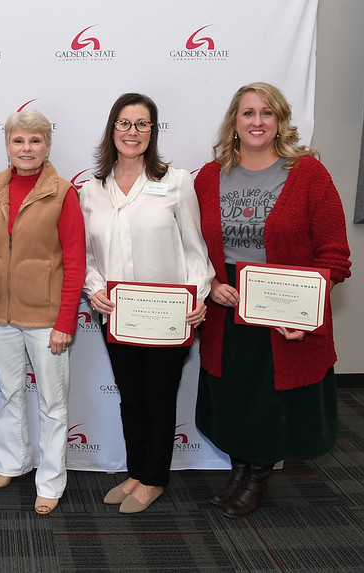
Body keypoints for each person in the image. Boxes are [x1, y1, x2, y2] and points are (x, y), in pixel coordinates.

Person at [194, 82, 352, 518]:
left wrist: (307, 311)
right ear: (235, 121)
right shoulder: (209, 176)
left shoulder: (308, 174)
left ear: (280, 120)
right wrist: (208, 282)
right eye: (248, 113)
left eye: (267, 113)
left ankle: (257, 476)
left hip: (283, 310)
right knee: (232, 394)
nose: (257, 122)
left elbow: (335, 256)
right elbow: (190, 245)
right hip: (226, 309)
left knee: (269, 400)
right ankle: (240, 468)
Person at [81, 93, 213, 513]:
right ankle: (137, 472)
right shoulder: (92, 189)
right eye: (124, 123)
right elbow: (84, 255)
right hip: (118, 316)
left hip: (169, 316)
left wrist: (199, 296)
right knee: (131, 396)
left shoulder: (176, 182)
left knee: (159, 397)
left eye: (142, 124)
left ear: (153, 132)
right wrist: (94, 287)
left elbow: (195, 249)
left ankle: (154, 479)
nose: (132, 132)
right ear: (112, 129)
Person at [0, 109, 86, 515]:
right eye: (19, 140)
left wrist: (65, 322)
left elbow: (75, 261)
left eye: (35, 140)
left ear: (48, 145)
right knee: (9, 394)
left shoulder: (62, 191)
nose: (26, 148)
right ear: (7, 144)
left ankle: (51, 481)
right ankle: (13, 462)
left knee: (52, 404)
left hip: (46, 318)